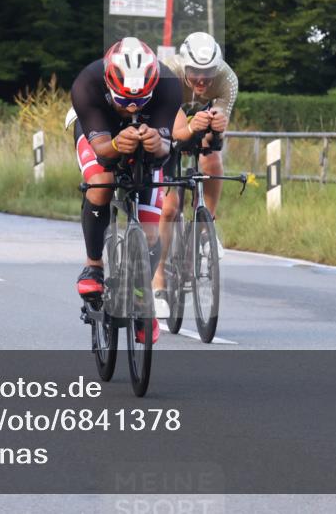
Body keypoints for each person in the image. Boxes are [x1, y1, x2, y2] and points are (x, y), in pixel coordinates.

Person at [70, 37, 181, 345]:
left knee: (149, 228)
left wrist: (158, 143)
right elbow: (104, 153)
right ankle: (93, 266)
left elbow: (164, 153)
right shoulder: (87, 83)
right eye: (123, 99)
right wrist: (118, 144)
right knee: (101, 183)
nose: (131, 107)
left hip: (147, 133)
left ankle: (141, 295)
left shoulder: (169, 85)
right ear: (109, 82)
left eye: (140, 100)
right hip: (99, 131)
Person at [151, 32, 238, 297]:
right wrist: (190, 126)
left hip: (198, 125)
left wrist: (217, 129)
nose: (202, 79)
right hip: (167, 127)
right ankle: (159, 279)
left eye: (208, 72)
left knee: (211, 156)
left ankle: (205, 227)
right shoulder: (169, 74)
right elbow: (176, 132)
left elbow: (213, 139)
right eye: (195, 72)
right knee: (169, 208)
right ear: (184, 66)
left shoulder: (227, 79)